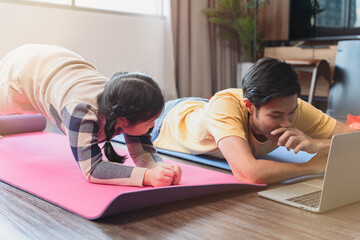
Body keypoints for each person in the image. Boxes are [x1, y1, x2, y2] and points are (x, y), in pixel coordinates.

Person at [150, 57, 356, 184]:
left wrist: (318, 144)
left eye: (291, 112)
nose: (287, 122)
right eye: (275, 115)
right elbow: (249, 173)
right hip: (167, 119)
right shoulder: (225, 108)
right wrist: (313, 167)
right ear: (250, 107)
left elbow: (355, 139)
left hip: (205, 108)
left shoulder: (291, 107)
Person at [0, 44, 182, 187]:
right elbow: (93, 170)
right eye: (150, 122)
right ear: (123, 119)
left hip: (61, 61)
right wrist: (148, 176)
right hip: (23, 69)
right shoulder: (81, 112)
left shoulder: (126, 104)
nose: (152, 126)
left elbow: (143, 150)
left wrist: (160, 167)